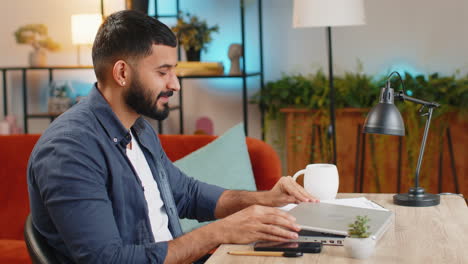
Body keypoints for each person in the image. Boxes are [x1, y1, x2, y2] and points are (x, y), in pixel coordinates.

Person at [27, 10, 317, 264]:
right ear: (122, 73)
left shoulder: (138, 130)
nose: (175, 85)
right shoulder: (69, 150)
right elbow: (107, 259)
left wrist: (267, 199)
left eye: (174, 71)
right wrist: (222, 230)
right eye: (163, 72)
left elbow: (188, 194)